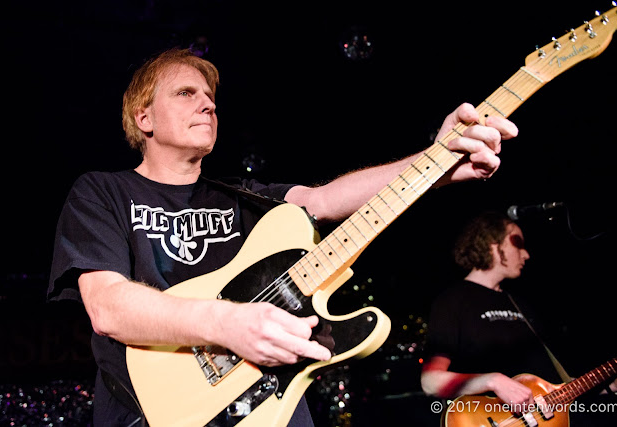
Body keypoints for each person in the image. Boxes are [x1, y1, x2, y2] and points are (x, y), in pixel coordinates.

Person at [47, 47, 518, 426]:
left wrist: (432, 164)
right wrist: (228, 323)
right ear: (143, 117)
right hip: (149, 411)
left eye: (210, 96)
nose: (208, 103)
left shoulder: (245, 197)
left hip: (272, 406)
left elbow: (326, 200)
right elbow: (108, 307)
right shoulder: (101, 192)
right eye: (186, 93)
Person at [420, 210, 617, 424]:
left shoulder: (521, 305)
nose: (526, 254)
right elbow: (430, 382)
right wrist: (493, 381)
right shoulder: (453, 300)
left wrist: (612, 386)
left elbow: (555, 390)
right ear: (493, 244)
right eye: (518, 244)